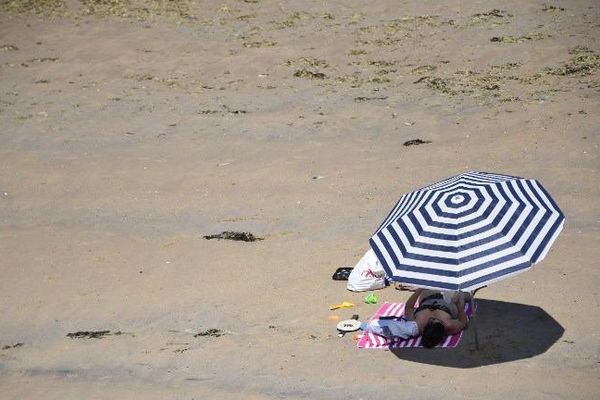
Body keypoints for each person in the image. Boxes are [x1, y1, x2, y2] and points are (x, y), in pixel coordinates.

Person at [404, 288, 469, 348]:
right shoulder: (449, 325)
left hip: (428, 296)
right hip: (450, 300)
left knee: (434, 279)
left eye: (432, 319)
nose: (433, 317)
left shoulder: (416, 324)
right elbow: (463, 322)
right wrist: (458, 304)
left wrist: (419, 290)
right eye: (440, 321)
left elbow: (409, 307)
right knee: (462, 292)